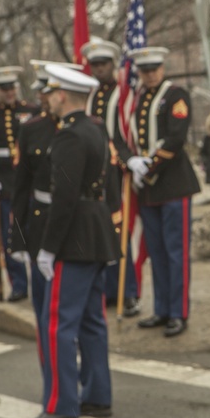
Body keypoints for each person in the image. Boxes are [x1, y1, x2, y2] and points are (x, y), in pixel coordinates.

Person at [19, 64, 120, 418]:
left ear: (62, 95)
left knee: (57, 324)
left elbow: (62, 196)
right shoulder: (94, 129)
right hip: (95, 229)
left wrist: (47, 248)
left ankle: (62, 404)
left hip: (73, 235)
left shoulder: (68, 137)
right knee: (92, 321)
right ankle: (97, 395)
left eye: (51, 92)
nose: (47, 97)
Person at [126, 46, 201, 338]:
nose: (150, 74)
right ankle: (161, 309)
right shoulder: (139, 99)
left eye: (154, 69)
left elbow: (176, 138)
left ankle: (178, 312)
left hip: (173, 186)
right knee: (155, 252)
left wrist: (150, 166)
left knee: (175, 253)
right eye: (145, 71)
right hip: (148, 190)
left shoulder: (175, 96)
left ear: (163, 68)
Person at [8, 60, 78, 324]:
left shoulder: (86, 127)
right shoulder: (31, 129)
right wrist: (17, 237)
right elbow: (21, 185)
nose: (43, 97)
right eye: (41, 92)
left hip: (77, 219)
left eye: (48, 91)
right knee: (43, 300)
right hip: (41, 219)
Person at [81, 39, 141, 318]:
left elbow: (126, 134)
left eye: (104, 64)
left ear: (113, 65)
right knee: (95, 230)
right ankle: (105, 290)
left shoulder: (125, 93)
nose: (99, 69)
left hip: (117, 173)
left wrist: (127, 159)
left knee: (119, 231)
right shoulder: (89, 95)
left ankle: (126, 292)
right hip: (91, 173)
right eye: (95, 65)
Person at [0, 66, 38, 302]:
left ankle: (40, 278)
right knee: (10, 234)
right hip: (5, 182)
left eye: (12, 87)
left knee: (34, 228)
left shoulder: (32, 110)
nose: (10, 92)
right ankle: (18, 284)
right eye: (4, 88)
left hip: (30, 179)